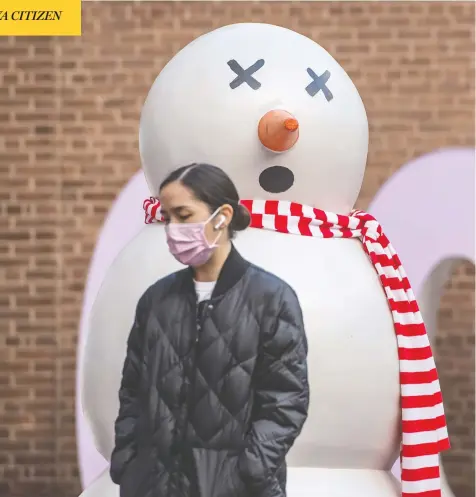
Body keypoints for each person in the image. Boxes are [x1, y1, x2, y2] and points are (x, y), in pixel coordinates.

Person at [110, 163, 309, 497]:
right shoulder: (156, 301)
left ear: (222, 216)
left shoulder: (271, 299)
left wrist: (248, 471)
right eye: (167, 217)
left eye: (183, 215)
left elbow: (285, 400)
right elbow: (132, 392)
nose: (172, 228)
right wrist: (129, 465)